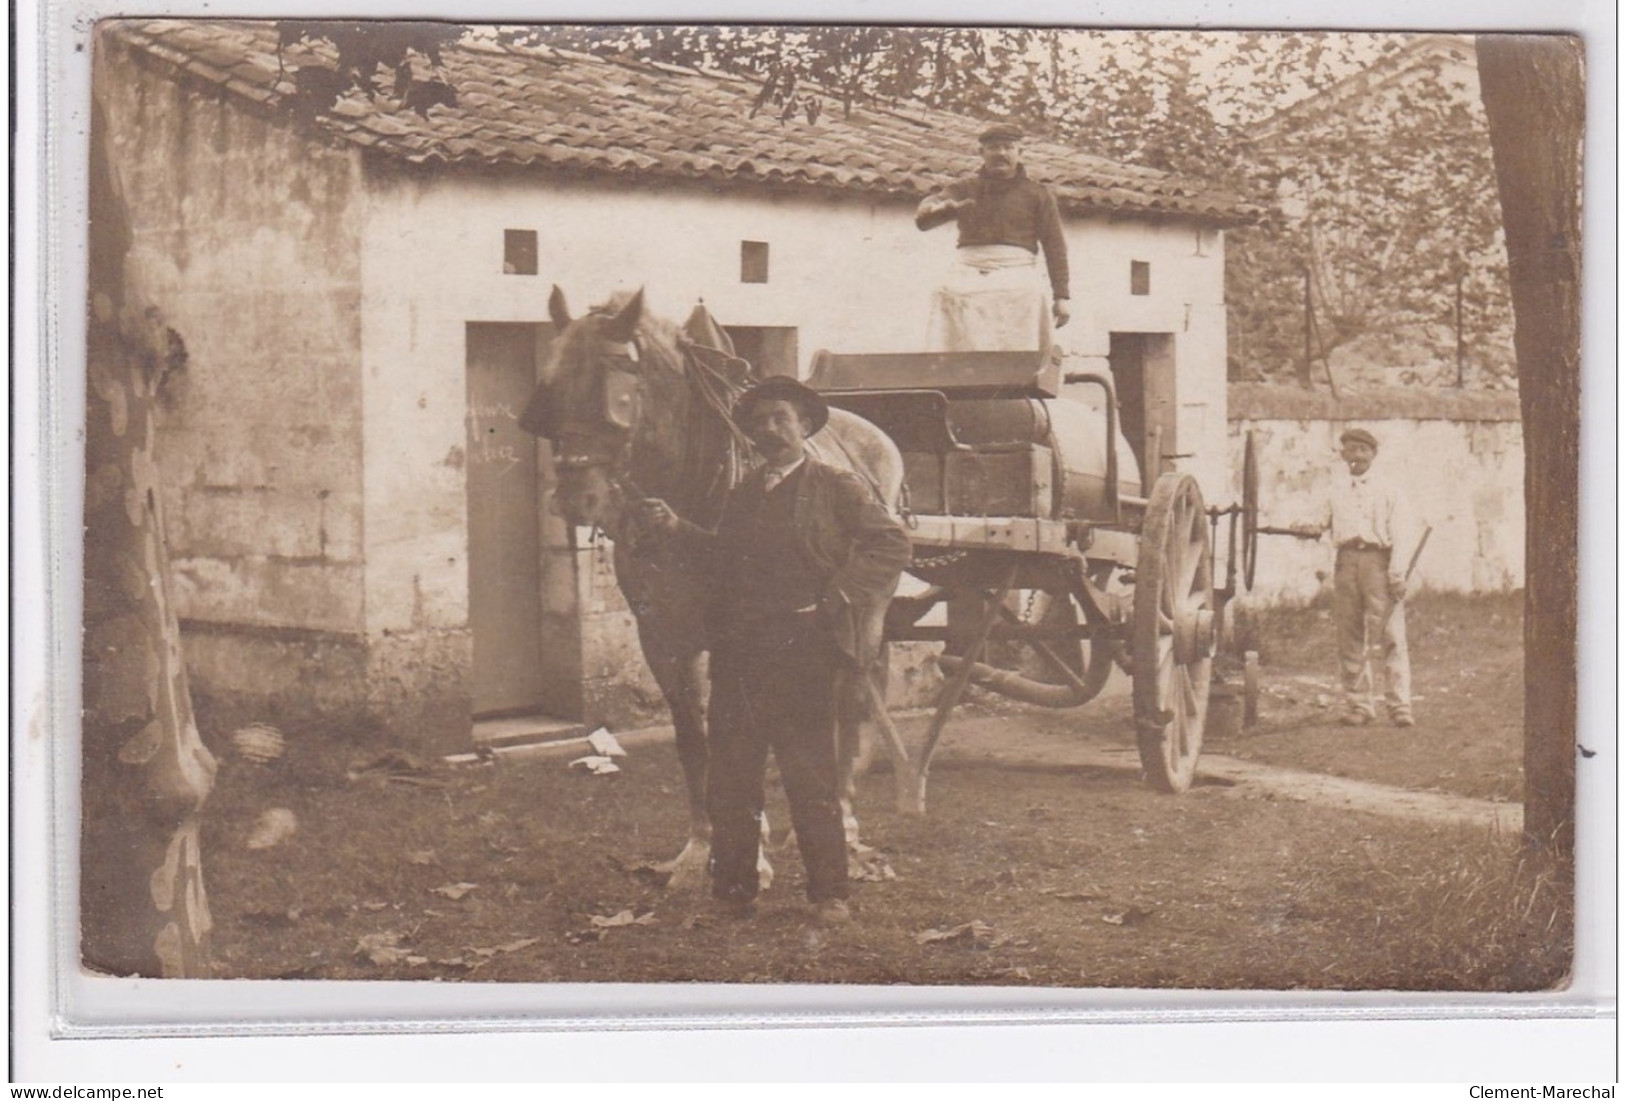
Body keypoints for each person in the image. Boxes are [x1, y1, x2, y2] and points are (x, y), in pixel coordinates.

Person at [637, 377, 911, 924]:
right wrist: (678, 528)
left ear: (805, 426)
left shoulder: (837, 486)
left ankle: (829, 894)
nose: (769, 430)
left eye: (780, 419)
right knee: (732, 775)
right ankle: (734, 892)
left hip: (802, 649)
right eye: (759, 422)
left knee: (808, 772)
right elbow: (724, 557)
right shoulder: (746, 494)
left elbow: (890, 541)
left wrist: (836, 596)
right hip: (740, 650)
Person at [915, 122, 1071, 352]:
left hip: (1016, 272)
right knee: (944, 293)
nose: (1001, 153)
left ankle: (1020, 377)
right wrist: (935, 207)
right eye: (993, 147)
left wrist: (1062, 297)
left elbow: (1055, 246)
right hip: (968, 270)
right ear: (982, 153)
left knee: (1029, 296)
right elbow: (926, 217)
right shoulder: (964, 188)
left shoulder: (1038, 194)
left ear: (1020, 152)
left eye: (1007, 147)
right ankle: (950, 376)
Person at [1312, 427, 1417, 728]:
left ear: (1373, 454)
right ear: (1343, 455)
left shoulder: (1389, 490)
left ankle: (1399, 705)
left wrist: (1396, 573)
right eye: (1350, 450)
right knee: (1350, 635)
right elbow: (1318, 525)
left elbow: (1402, 534)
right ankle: (1359, 705)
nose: (1356, 457)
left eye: (1362, 450)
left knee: (1391, 635)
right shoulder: (1334, 490)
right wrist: (1307, 533)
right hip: (1346, 563)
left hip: (1377, 564)